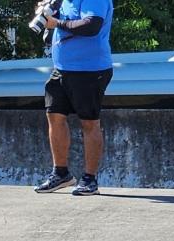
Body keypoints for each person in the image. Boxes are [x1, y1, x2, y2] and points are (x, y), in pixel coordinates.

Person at [34, 0, 114, 196]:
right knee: (54, 115)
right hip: (62, 69)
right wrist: (45, 15)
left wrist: (57, 23)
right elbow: (51, 33)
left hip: (90, 69)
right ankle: (60, 173)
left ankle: (89, 179)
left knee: (89, 123)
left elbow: (91, 25)